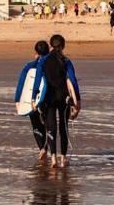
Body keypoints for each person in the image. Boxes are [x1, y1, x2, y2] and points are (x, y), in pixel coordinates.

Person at [35, 34, 81, 168]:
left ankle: (53, 158)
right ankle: (63, 158)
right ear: (63, 46)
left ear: (50, 46)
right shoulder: (66, 61)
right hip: (63, 98)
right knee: (63, 127)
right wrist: (77, 101)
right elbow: (73, 81)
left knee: (51, 127)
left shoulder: (43, 61)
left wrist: (34, 98)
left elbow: (38, 80)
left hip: (49, 98)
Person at [15, 40, 51, 163]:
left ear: (35, 52)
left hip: (32, 100)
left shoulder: (28, 66)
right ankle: (54, 152)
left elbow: (22, 83)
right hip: (48, 99)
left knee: (36, 124)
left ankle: (42, 149)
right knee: (48, 125)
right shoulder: (52, 64)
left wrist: (17, 100)